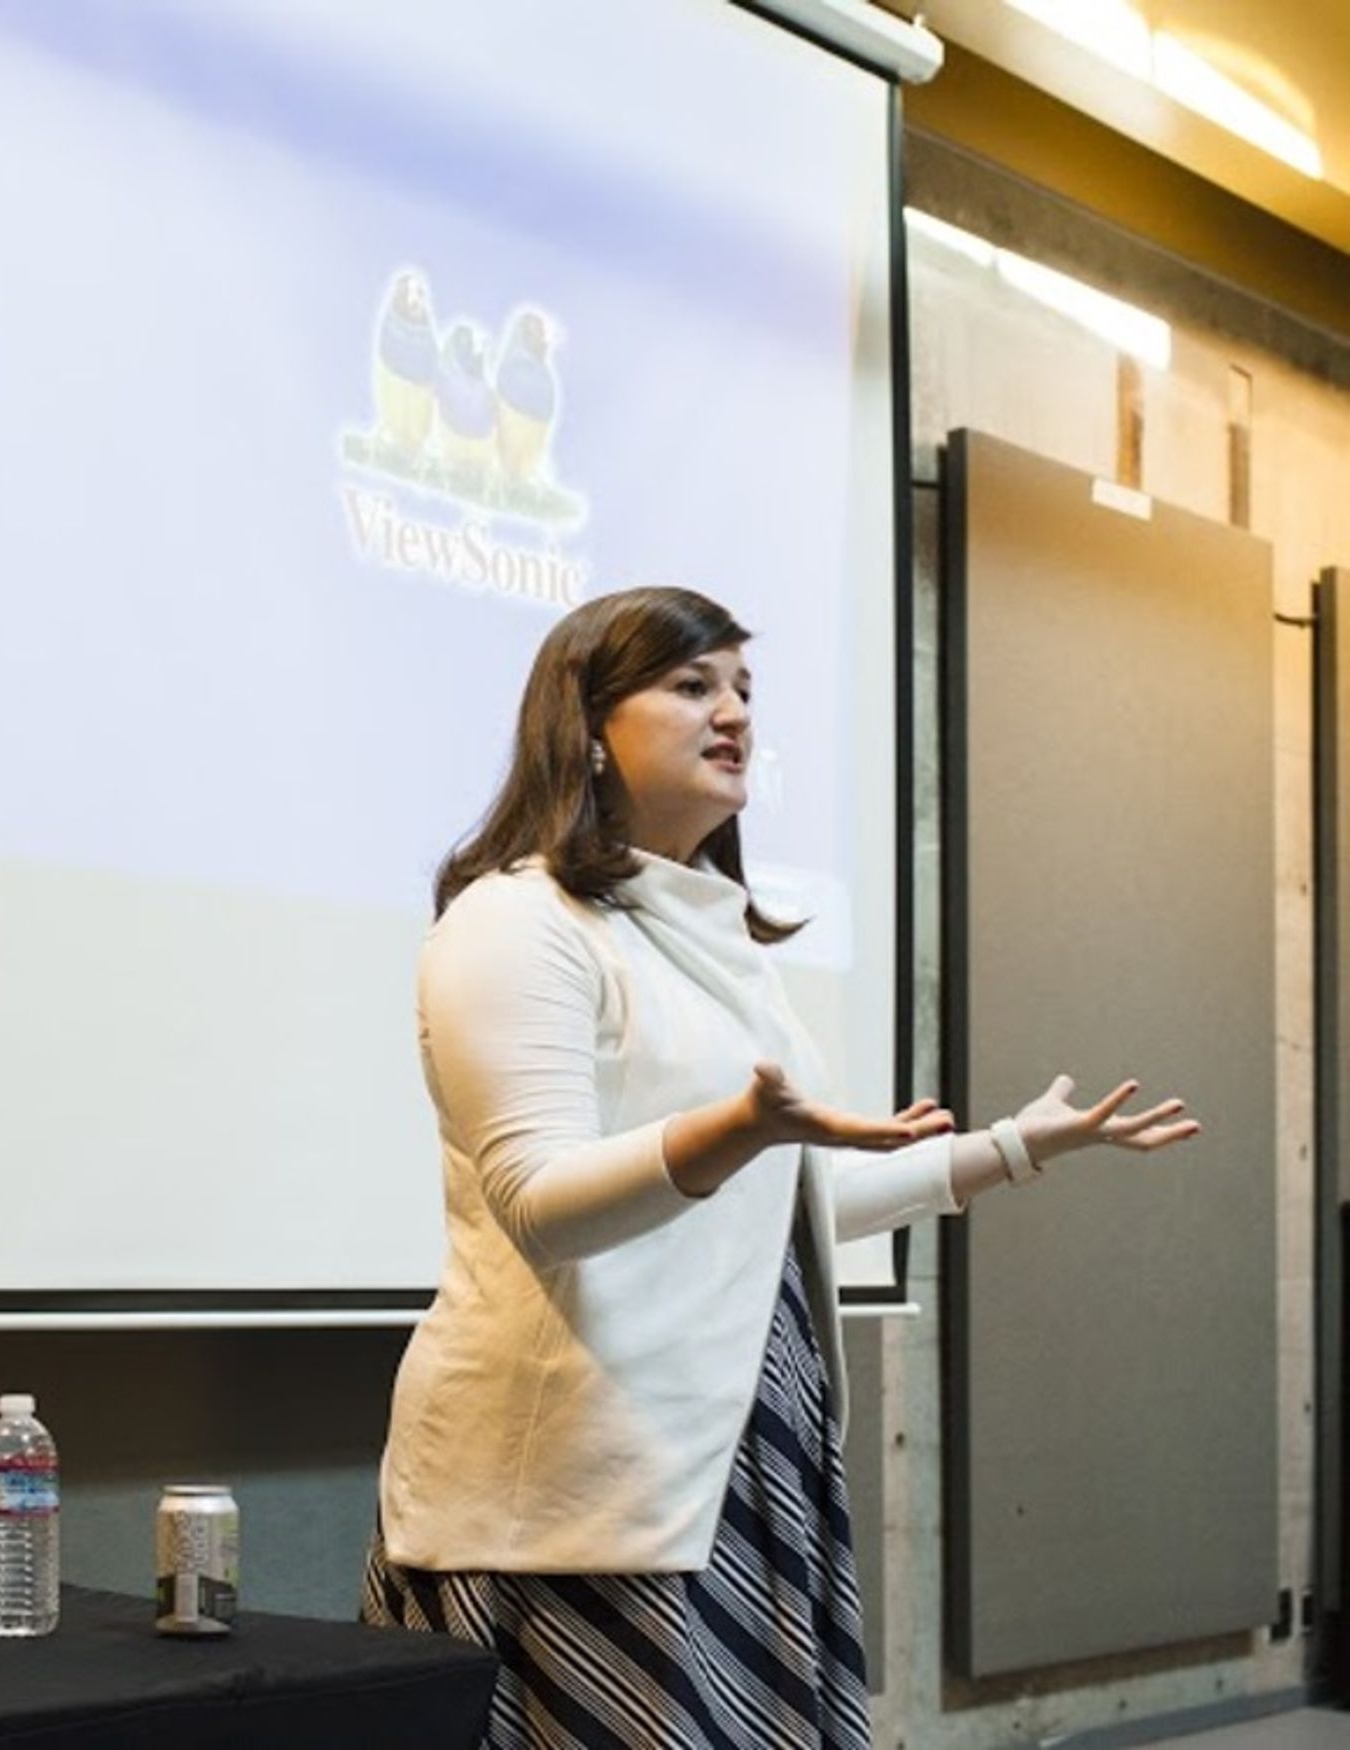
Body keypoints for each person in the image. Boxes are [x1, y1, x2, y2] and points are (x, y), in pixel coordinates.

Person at [362, 586, 1197, 1749]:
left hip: (743, 1444)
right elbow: (540, 1206)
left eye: (746, 689)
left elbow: (774, 1205)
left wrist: (1005, 1149)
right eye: (692, 684)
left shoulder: (718, 942)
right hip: (577, 1487)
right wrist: (737, 1131)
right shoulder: (515, 923)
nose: (734, 714)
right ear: (588, 724)